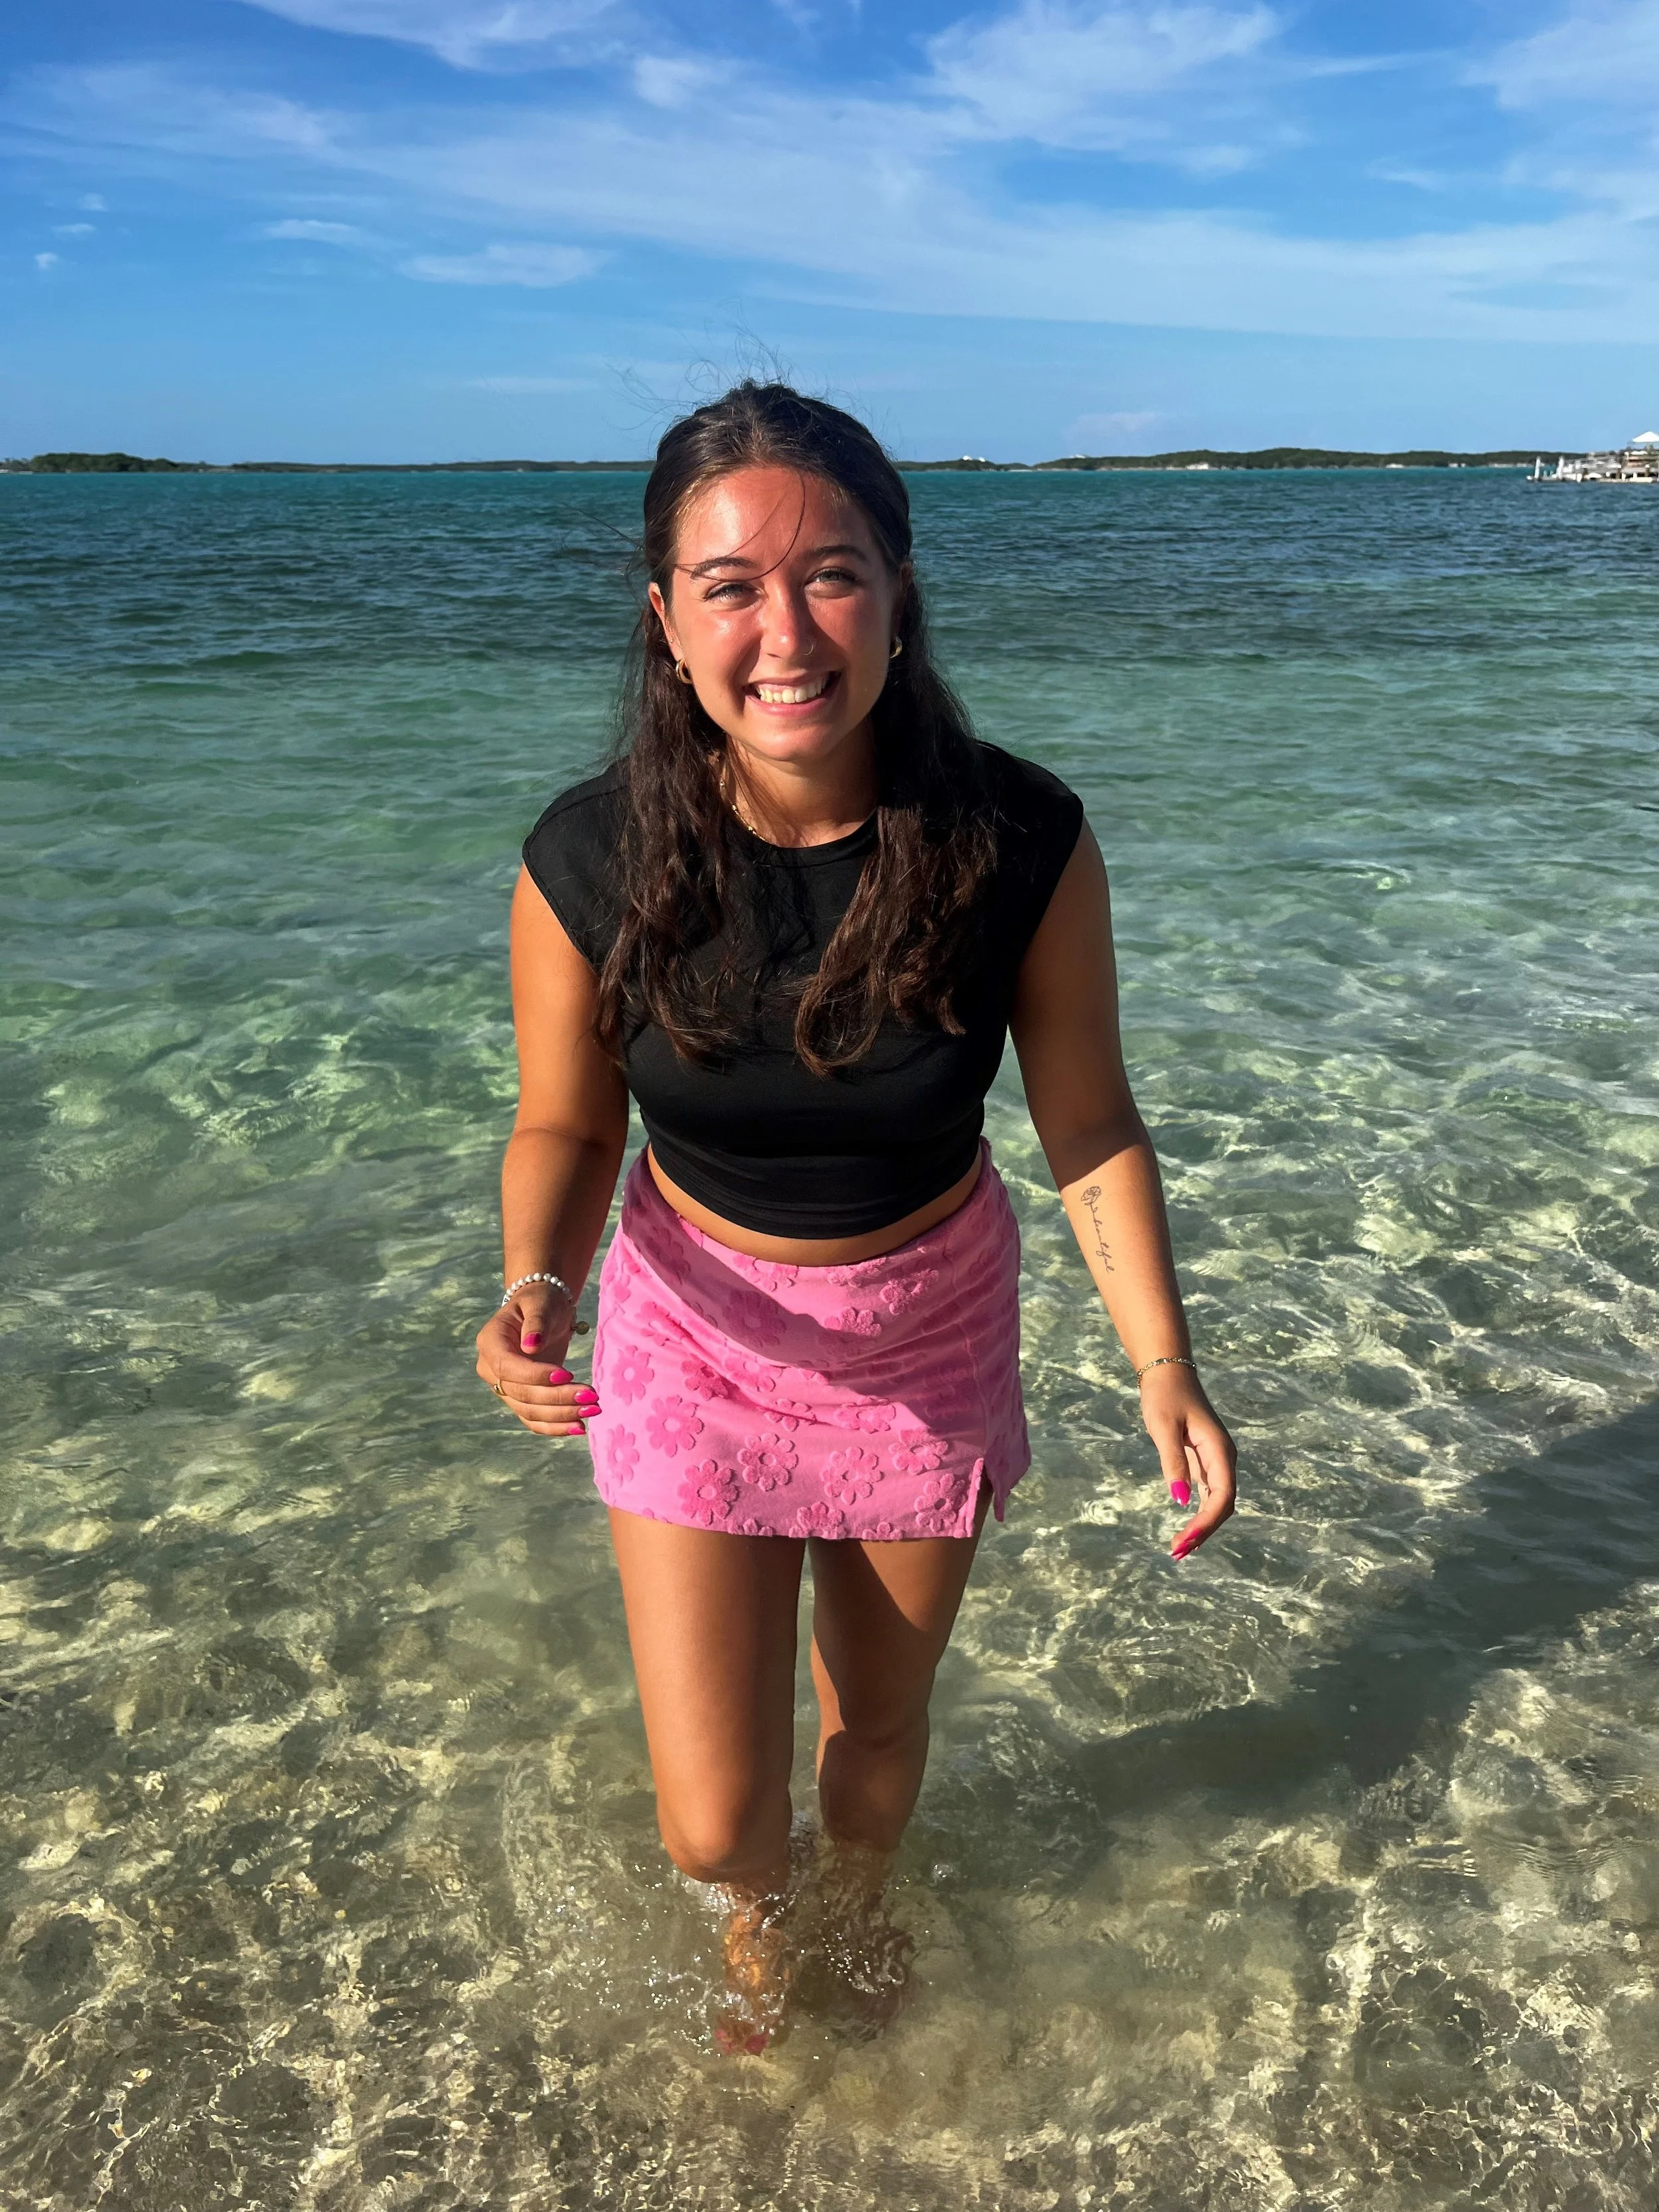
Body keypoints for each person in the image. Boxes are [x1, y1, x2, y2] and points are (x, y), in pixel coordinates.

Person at [474, 380, 1236, 2051]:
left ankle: (859, 1904)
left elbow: (1088, 1121)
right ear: (665, 616)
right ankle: (761, 1921)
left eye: (830, 574)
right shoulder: (589, 856)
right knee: (711, 1822)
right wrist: (535, 1279)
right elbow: (564, 1121)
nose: (785, 633)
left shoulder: (1015, 839)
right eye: (729, 586)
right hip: (692, 1327)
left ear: (898, 590)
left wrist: (1161, 1363)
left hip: (922, 1326)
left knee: (873, 1735)